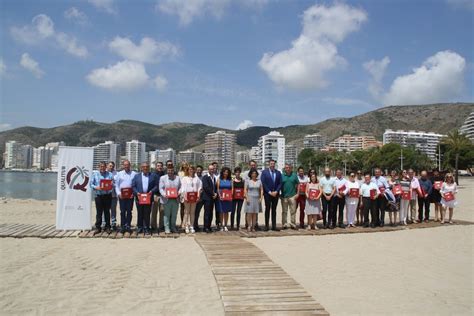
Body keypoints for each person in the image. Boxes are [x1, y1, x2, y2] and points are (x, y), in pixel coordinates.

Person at [132, 162, 159, 235]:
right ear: (141, 168)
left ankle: (146, 228)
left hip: (148, 197)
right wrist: (136, 193)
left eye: (147, 167)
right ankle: (140, 227)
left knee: (147, 213)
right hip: (139, 197)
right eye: (144, 167)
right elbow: (133, 186)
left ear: (149, 167)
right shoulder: (136, 176)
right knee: (140, 213)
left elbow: (156, 186)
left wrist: (151, 191)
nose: (145, 168)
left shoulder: (153, 176)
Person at [90, 161, 114, 234]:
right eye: (101, 166)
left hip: (107, 196)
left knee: (107, 212)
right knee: (99, 212)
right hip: (98, 196)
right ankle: (98, 227)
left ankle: (108, 227)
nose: (102, 168)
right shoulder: (95, 174)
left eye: (103, 166)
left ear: (106, 167)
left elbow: (113, 184)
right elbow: (91, 184)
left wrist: (111, 185)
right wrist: (97, 187)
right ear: (99, 167)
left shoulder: (110, 174)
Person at [115, 160, 136, 233]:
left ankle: (128, 226)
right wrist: (118, 193)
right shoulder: (119, 174)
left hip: (130, 196)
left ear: (130, 165)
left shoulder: (134, 174)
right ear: (123, 166)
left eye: (128, 165)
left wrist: (133, 193)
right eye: (125, 165)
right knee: (122, 211)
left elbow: (135, 185)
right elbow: (116, 185)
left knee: (129, 211)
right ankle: (123, 226)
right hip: (122, 196)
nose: (126, 166)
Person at [159, 165, 181, 234]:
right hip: (166, 199)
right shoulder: (163, 178)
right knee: (166, 214)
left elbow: (181, 187)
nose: (170, 172)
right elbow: (161, 188)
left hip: (175, 199)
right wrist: (164, 194)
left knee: (174, 214)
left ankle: (173, 227)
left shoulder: (177, 178)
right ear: (166, 171)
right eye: (169, 170)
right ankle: (167, 228)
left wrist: (179, 193)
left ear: (174, 170)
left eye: (171, 170)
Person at [260, 159, 282, 231]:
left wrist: (276, 191)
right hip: (267, 194)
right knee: (267, 209)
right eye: (271, 163)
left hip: (275, 194)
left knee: (274, 210)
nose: (272, 165)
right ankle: (266, 226)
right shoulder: (264, 172)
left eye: (273, 164)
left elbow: (280, 183)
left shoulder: (278, 173)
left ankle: (274, 226)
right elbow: (263, 183)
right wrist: (269, 192)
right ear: (269, 164)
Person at [179, 165, 202, 234]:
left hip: (194, 197)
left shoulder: (197, 178)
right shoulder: (185, 178)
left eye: (192, 169)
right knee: (186, 212)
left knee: (192, 212)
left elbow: (199, 187)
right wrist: (184, 196)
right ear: (188, 171)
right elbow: (182, 188)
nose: (191, 171)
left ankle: (191, 226)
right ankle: (186, 226)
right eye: (189, 169)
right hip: (187, 197)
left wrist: (198, 195)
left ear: (194, 170)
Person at [280, 163, 299, 230]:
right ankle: (284, 224)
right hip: (284, 196)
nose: (287, 169)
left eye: (288, 167)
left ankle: (293, 224)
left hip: (292, 196)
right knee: (284, 211)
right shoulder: (282, 176)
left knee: (293, 211)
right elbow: (279, 185)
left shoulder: (294, 175)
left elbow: (298, 184)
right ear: (284, 168)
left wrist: (298, 193)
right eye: (286, 167)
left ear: (291, 168)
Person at [201, 164, 218, 233]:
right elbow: (206, 187)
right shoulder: (205, 177)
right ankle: (205, 227)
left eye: (213, 169)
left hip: (212, 198)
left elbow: (214, 187)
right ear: (208, 170)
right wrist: (213, 193)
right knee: (207, 213)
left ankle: (209, 226)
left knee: (211, 213)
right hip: (207, 198)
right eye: (210, 169)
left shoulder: (213, 177)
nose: (212, 170)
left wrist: (215, 194)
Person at [217, 167, 233, 231]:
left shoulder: (230, 180)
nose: (225, 173)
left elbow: (232, 189)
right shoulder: (219, 179)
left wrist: (231, 196)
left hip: (228, 197)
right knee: (221, 212)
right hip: (221, 197)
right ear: (222, 172)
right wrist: (219, 195)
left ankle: (226, 225)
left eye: (227, 172)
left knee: (226, 212)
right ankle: (221, 225)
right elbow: (218, 189)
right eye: (224, 172)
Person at [151, 161, 165, 232]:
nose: (159, 167)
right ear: (156, 167)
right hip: (155, 195)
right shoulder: (153, 174)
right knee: (154, 211)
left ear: (162, 167)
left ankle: (161, 226)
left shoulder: (165, 174)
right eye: (158, 166)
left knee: (162, 211)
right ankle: (153, 226)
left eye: (161, 166)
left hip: (163, 196)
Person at [106, 161, 118, 230]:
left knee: (113, 210)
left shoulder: (117, 174)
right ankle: (104, 224)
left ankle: (113, 224)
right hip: (105, 195)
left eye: (112, 166)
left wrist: (112, 184)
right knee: (105, 210)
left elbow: (118, 184)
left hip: (113, 195)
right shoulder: (104, 173)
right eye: (110, 166)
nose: (111, 167)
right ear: (107, 166)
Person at [193, 165, 205, 231]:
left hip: (201, 198)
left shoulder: (203, 178)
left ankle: (196, 225)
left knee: (197, 212)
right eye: (198, 170)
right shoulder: (193, 177)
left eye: (200, 170)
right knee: (192, 212)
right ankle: (192, 225)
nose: (199, 171)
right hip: (193, 197)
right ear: (195, 170)